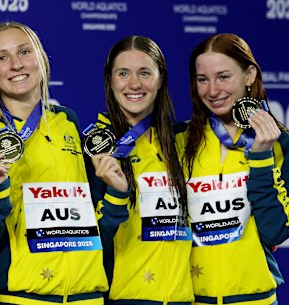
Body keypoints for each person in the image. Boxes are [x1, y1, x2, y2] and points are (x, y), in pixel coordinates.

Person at [0, 21, 108, 305]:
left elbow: (95, 209)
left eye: (24, 52)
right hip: (21, 297)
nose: (15, 65)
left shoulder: (68, 122)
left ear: (41, 59)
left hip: (87, 296)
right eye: (2, 57)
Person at [176, 33, 289, 305]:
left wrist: (261, 159)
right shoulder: (178, 140)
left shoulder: (286, 146)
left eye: (223, 77)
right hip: (190, 299)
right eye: (203, 79)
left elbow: (276, 230)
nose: (212, 90)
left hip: (255, 299)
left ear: (249, 75)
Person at [84, 36, 193, 304]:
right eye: (123, 73)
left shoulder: (183, 142)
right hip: (124, 298)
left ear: (160, 80)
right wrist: (115, 197)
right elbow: (84, 240)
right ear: (110, 81)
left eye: (145, 73)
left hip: (183, 298)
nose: (134, 84)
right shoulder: (95, 148)